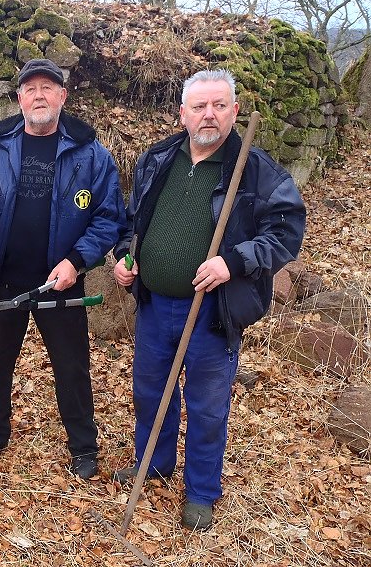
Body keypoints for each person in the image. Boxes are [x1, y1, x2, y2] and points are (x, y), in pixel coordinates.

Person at [112, 69, 306, 529]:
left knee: (206, 404)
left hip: (212, 311)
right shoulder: (157, 159)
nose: (209, 114)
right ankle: (153, 464)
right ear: (183, 113)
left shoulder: (254, 170)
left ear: (234, 111)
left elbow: (285, 232)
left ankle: (201, 492)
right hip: (154, 305)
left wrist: (232, 262)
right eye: (199, 106)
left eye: (219, 105)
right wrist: (124, 256)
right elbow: (132, 221)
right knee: (150, 393)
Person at [0, 58, 127, 479]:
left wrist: (76, 261)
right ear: (19, 99)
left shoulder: (90, 154)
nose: (39, 95)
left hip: (61, 281)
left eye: (48, 88)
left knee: (71, 366)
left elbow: (109, 217)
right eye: (31, 89)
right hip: (4, 276)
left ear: (62, 96)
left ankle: (83, 446)